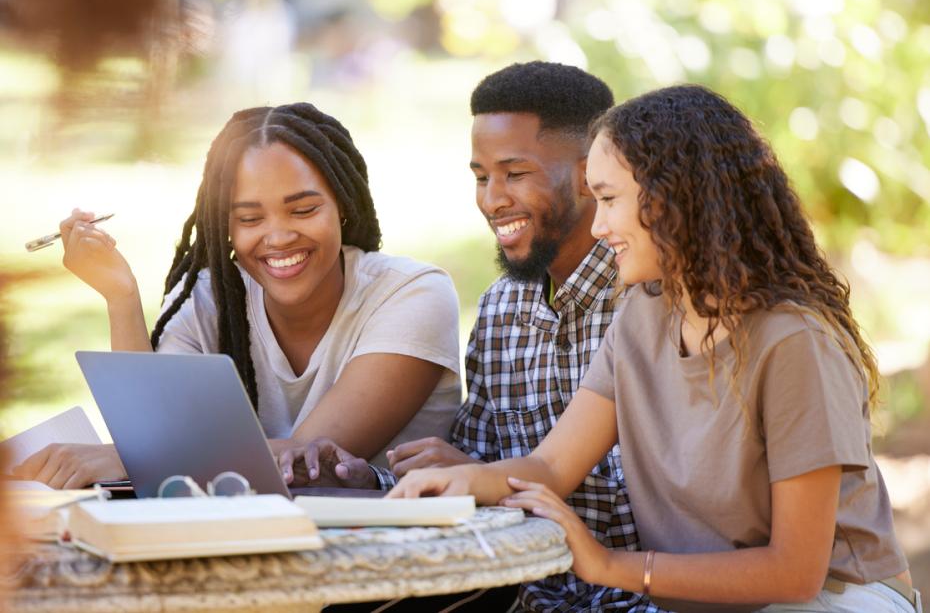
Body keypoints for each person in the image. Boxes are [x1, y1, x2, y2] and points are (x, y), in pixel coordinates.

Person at [389, 85, 921, 613]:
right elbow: (551, 467)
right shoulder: (641, 316)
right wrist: (460, 482)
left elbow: (795, 573)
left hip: (835, 599)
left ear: (673, 198)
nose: (598, 226)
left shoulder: (795, 341)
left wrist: (610, 566)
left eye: (610, 199)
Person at [319, 62, 660, 612]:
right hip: (524, 590)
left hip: (637, 594)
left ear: (587, 174)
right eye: (481, 177)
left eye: (515, 173)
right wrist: (371, 479)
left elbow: (634, 500)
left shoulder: (651, 300)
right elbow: (476, 465)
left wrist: (491, 481)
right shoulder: (502, 307)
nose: (491, 199)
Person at [13, 102, 462, 489]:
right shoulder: (208, 300)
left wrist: (134, 458)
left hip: (393, 561)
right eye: (249, 219)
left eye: (303, 210)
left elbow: (308, 457)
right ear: (223, 227)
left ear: (342, 205)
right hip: (254, 554)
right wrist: (121, 295)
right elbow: (151, 432)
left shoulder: (412, 294)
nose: (279, 236)